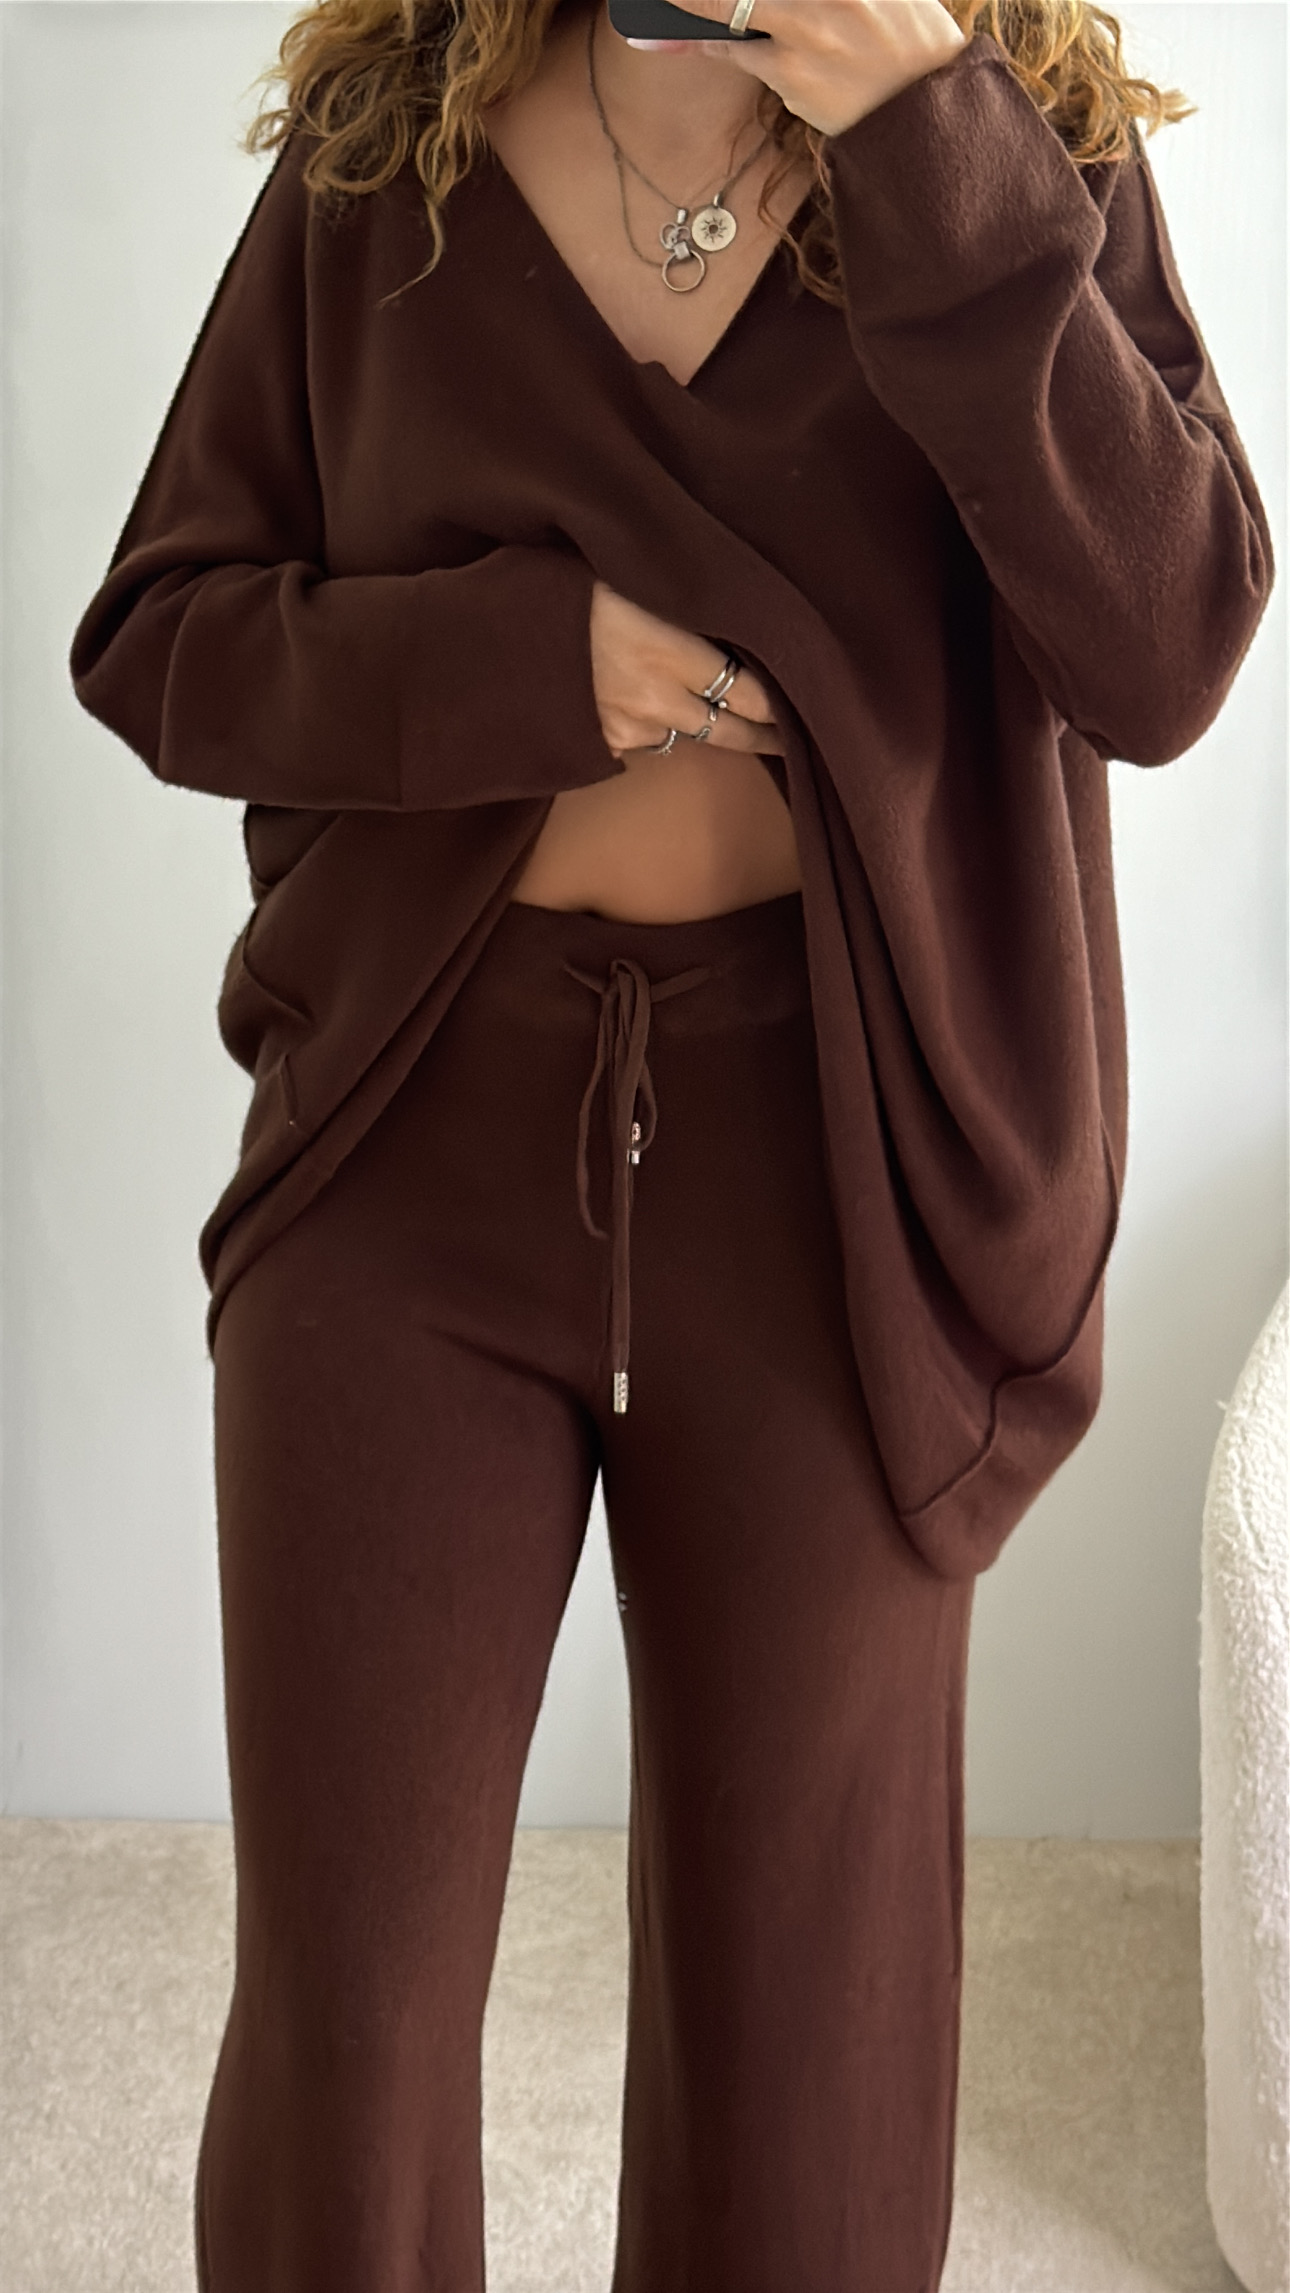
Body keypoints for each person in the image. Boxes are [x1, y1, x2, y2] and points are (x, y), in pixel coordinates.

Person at [68, 0, 1273, 2284]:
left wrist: (922, 137)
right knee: (345, 2058)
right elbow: (166, 634)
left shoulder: (1017, 158)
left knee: (809, 2093)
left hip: (844, 1185)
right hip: (408, 1151)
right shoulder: (388, 155)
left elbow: (1167, 642)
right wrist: (544, 664)